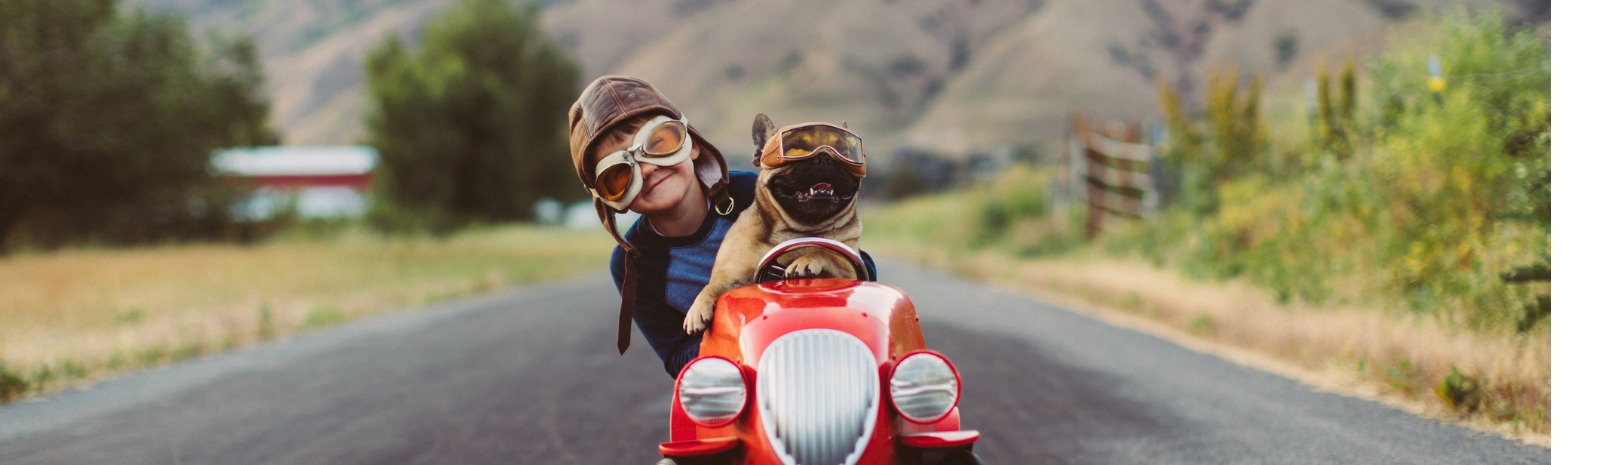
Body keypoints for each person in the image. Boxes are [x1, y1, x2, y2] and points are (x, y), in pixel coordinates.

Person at [566, 75, 874, 378]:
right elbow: (676, 357)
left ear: (693, 144)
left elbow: (861, 268)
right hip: (738, 384)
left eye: (659, 142)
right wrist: (739, 335)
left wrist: (829, 266)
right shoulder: (633, 264)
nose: (647, 169)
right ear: (608, 199)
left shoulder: (759, 195)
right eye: (619, 175)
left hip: (828, 352)